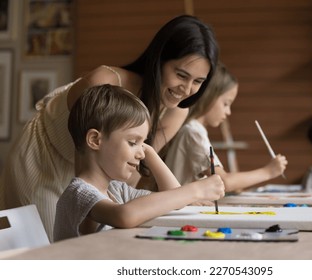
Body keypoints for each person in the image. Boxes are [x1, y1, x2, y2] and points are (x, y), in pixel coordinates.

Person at [0, 14, 219, 241]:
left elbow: (131, 166)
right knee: (42, 245)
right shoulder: (104, 82)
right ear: (160, 61)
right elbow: (94, 180)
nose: (186, 89)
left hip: (96, 171)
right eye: (181, 75)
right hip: (43, 159)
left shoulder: (176, 111)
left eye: (198, 81)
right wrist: (193, 191)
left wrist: (157, 168)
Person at [54, 84, 224, 241]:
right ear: (95, 140)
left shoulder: (116, 190)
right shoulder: (78, 193)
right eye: (133, 142)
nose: (141, 153)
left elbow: (173, 199)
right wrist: (196, 190)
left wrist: (150, 152)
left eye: (143, 144)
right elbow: (124, 216)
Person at [164, 63, 288, 195]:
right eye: (226, 104)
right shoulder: (193, 132)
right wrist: (268, 172)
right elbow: (224, 182)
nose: (228, 112)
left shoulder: (193, 129)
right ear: (209, 96)